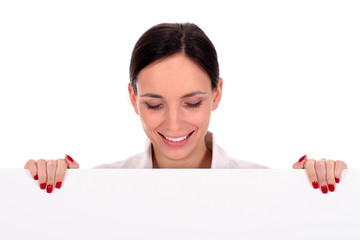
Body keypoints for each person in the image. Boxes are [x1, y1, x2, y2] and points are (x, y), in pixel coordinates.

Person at [24, 23, 347, 194]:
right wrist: (48, 198)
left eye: (192, 103)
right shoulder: (99, 187)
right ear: (133, 100)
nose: (174, 123)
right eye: (154, 104)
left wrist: (313, 199)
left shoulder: (263, 188)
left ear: (217, 94)